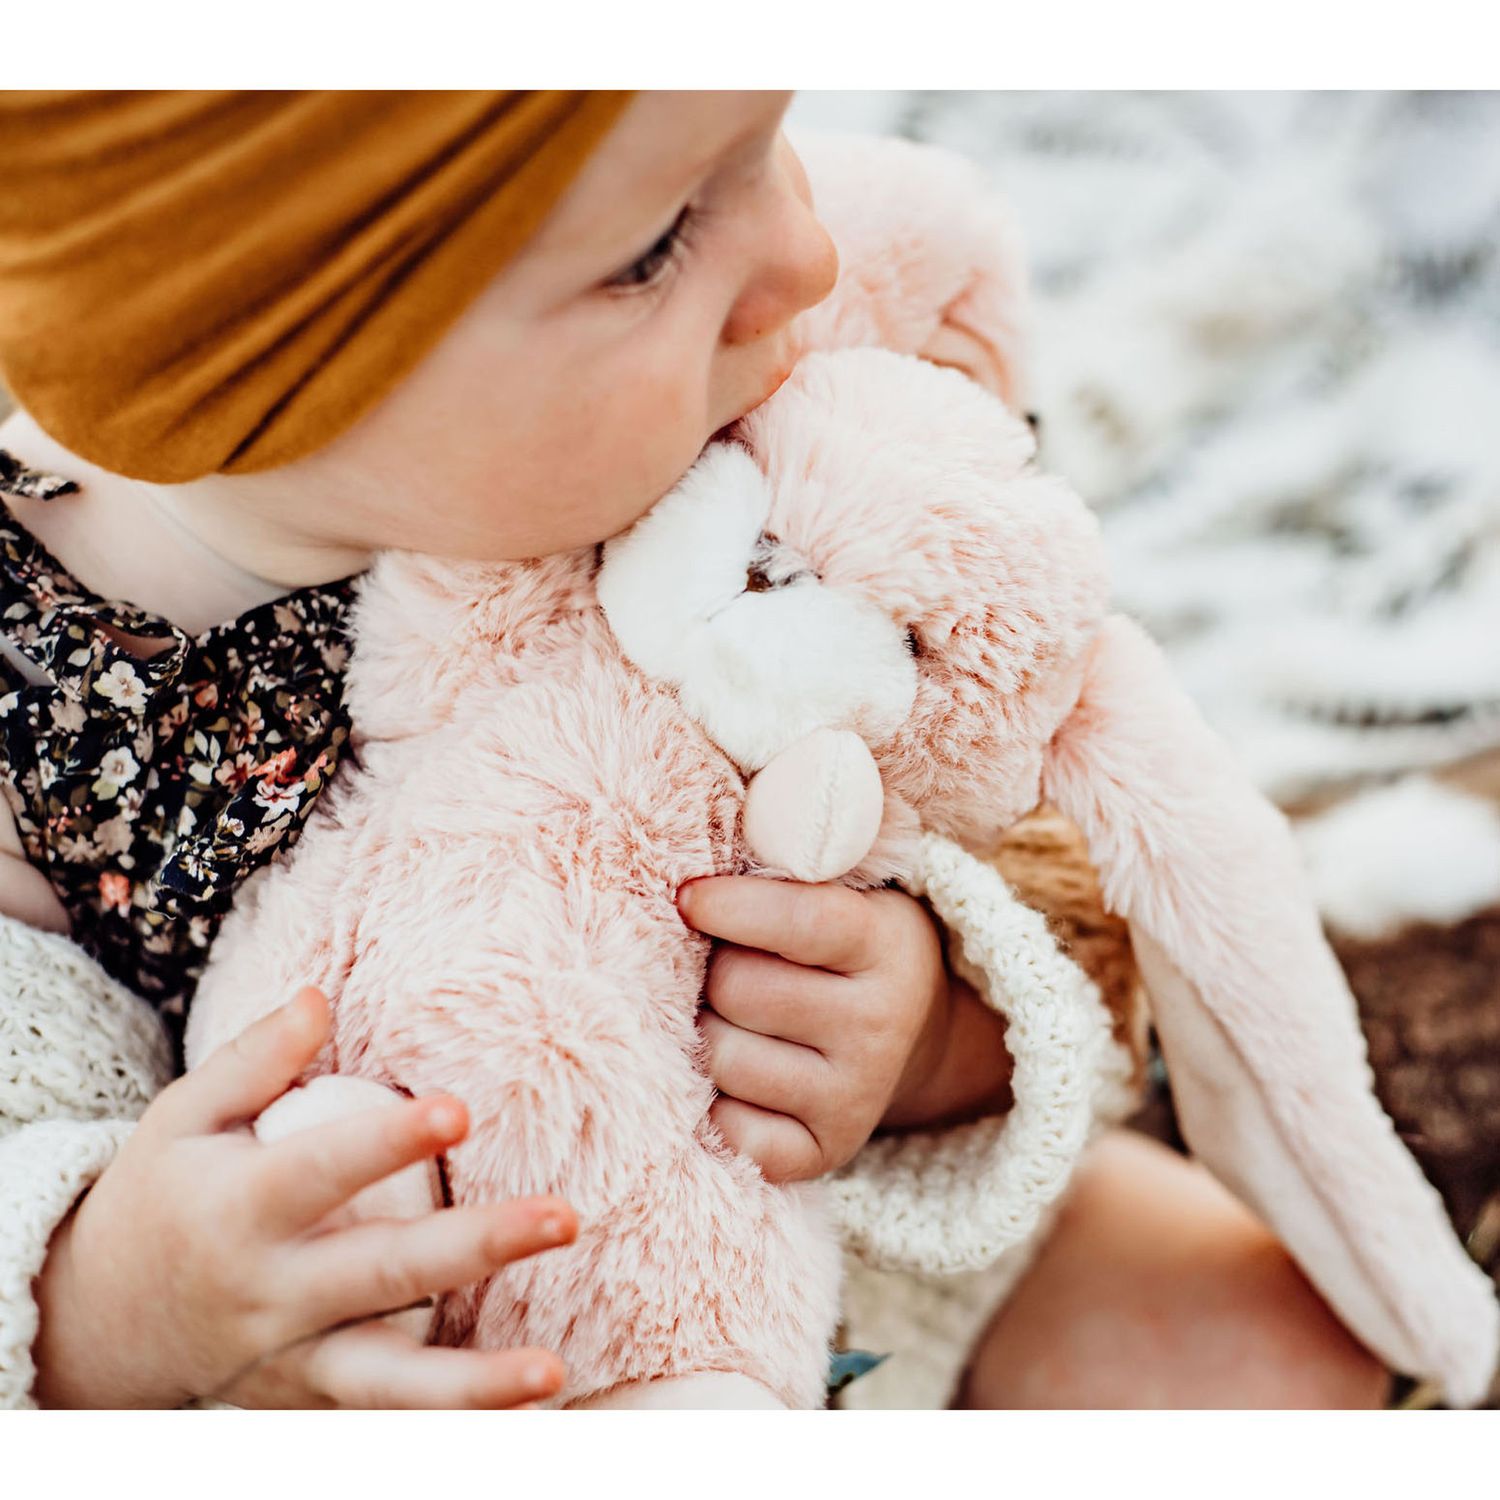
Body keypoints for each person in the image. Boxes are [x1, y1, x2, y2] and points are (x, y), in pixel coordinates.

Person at [0, 89, 1388, 1410]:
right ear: (281, 349)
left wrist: (926, 1037)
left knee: (1252, 1341)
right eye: (656, 248)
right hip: (384, 1364)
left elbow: (1047, 842)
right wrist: (113, 1308)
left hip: (754, 1246)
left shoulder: (769, 403)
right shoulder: (32, 716)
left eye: (767, 137)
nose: (803, 254)